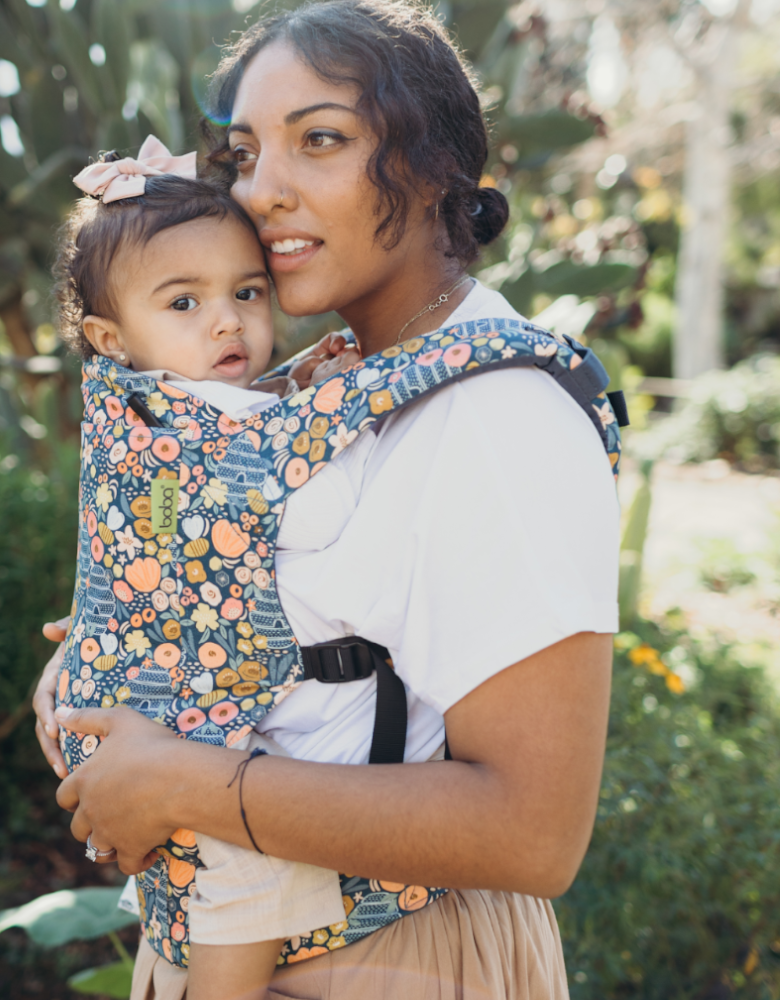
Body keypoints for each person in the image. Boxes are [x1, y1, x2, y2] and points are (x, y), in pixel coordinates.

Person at [35, 2, 621, 997]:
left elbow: (534, 831)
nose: (263, 190)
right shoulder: (328, 382)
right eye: (246, 151)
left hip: (391, 960)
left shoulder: (498, 412)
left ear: (435, 164)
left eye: (320, 140)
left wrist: (182, 781)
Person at [53, 135, 361, 1000]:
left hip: (144, 701)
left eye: (247, 292)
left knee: (209, 874)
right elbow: (281, 475)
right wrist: (343, 395)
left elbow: (243, 418)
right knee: (253, 871)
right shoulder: (185, 421)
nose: (227, 320)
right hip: (176, 720)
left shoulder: (154, 404)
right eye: (183, 302)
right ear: (110, 338)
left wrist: (303, 374)